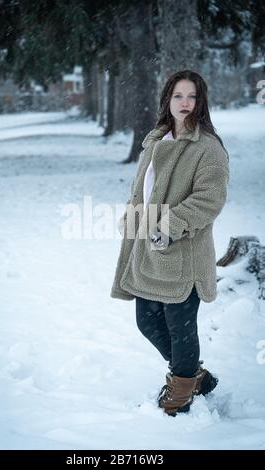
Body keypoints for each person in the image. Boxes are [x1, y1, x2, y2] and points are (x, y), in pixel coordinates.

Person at [110, 70, 229, 417]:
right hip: (148, 249)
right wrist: (132, 216)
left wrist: (171, 224)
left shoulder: (208, 148)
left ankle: (180, 393)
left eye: (191, 96)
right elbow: (142, 192)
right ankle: (195, 377)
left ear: (201, 101)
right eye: (178, 96)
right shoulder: (155, 141)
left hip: (182, 253)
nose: (185, 103)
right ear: (168, 99)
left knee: (180, 328)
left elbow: (210, 198)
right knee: (147, 322)